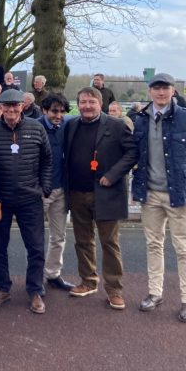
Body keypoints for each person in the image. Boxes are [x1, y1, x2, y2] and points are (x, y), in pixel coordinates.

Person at [132, 73, 186, 323]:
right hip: (150, 194)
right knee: (153, 244)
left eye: (165, 88)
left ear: (173, 91)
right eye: (156, 88)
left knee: (183, 248)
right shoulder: (141, 120)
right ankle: (155, 293)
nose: (160, 93)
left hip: (180, 195)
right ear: (149, 92)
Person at [64, 86, 137, 310]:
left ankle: (114, 289)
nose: (87, 106)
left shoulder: (116, 125)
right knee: (83, 241)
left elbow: (133, 152)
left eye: (91, 102)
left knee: (109, 243)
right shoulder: (72, 125)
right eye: (83, 102)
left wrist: (113, 175)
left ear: (100, 104)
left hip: (106, 193)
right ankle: (88, 281)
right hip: (77, 192)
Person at [0, 89, 52, 314]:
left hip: (30, 198)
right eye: (7, 106)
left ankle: (34, 289)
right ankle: (2, 288)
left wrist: (45, 187)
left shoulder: (37, 127)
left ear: (22, 106)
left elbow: (47, 160)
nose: (11, 110)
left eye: (16, 106)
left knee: (35, 247)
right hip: (0, 200)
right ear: (0, 108)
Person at [39, 93, 75, 292]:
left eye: (62, 111)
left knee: (58, 236)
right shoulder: (35, 126)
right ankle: (34, 279)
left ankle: (53, 274)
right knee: (35, 238)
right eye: (54, 111)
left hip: (61, 189)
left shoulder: (68, 127)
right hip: (40, 191)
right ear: (44, 110)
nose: (58, 115)